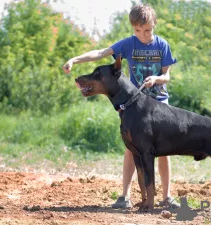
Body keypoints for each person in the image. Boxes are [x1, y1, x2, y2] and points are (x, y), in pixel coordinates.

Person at [62, 4, 179, 209]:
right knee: (130, 149)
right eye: (138, 30)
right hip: (135, 104)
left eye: (148, 30)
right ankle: (125, 196)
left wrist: (157, 79)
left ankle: (167, 197)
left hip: (160, 104)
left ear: (154, 25)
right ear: (133, 28)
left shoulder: (162, 45)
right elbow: (100, 52)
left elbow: (167, 76)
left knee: (164, 152)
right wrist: (75, 59)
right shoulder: (128, 44)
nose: (143, 35)